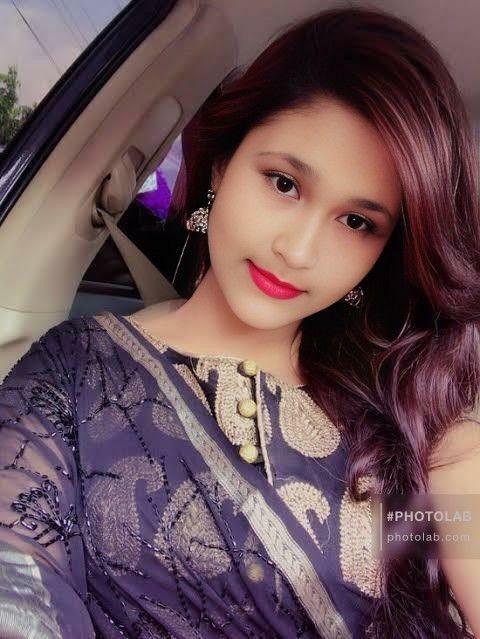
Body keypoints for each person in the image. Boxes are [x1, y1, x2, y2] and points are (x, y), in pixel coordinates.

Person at [1, 5, 479, 638]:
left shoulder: (419, 411)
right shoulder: (76, 370)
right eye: (283, 183)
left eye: (356, 222)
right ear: (223, 163)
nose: (299, 251)